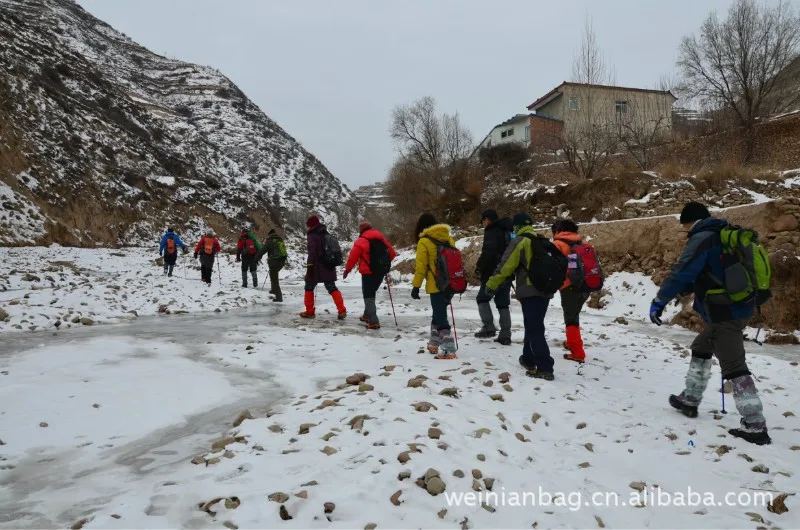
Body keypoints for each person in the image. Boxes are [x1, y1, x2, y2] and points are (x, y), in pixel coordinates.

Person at [649, 201, 770, 445]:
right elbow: (707, 273)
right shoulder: (721, 235)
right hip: (737, 305)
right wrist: (682, 291)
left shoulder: (703, 237)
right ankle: (690, 400)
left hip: (726, 311)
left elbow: (683, 270)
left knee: (734, 365)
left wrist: (659, 299)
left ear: (690, 220)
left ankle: (755, 425)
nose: (685, 231)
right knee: (702, 347)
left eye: (684, 225)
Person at [486, 213, 555, 380]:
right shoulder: (542, 240)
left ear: (516, 227)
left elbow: (505, 266)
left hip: (530, 291)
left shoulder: (520, 241)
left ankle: (545, 367)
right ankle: (528, 358)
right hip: (546, 290)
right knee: (533, 324)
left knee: (535, 327)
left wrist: (491, 285)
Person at [411, 213, 457, 359]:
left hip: (436, 284)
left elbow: (421, 267)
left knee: (440, 315)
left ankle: (449, 349)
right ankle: (434, 342)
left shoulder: (424, 241)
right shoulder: (448, 238)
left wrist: (416, 286)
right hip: (451, 284)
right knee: (438, 312)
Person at [343, 221, 397, 329]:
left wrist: (347, 270)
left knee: (368, 296)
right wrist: (382, 265)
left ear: (361, 230)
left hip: (368, 273)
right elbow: (392, 253)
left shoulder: (361, 241)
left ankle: (373, 321)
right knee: (371, 293)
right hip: (380, 272)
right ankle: (367, 315)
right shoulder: (382, 239)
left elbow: (353, 258)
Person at [552, 219, 589, 363]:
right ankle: (572, 342)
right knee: (574, 314)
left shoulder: (558, 244)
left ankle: (578, 353)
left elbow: (554, 266)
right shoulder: (583, 243)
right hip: (586, 285)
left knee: (570, 318)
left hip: (569, 286)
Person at [474, 209, 514, 344]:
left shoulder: (491, 231)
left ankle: (488, 326)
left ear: (487, 219)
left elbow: (488, 252)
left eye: (483, 220)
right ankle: (505, 334)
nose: (483, 223)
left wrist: (479, 267)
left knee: (482, 298)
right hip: (507, 272)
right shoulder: (507, 231)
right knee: (503, 303)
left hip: (492, 273)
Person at [300, 215, 346, 319]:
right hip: (328, 265)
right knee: (332, 287)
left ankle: (309, 311)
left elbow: (312, 252)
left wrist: (309, 266)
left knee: (309, 287)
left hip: (316, 267)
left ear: (310, 225)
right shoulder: (325, 233)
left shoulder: (312, 235)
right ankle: (341, 310)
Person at [261, 229, 288, 302]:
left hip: (274, 262)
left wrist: (256, 259)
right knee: (274, 275)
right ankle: (273, 290)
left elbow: (262, 251)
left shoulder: (270, 241)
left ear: (270, 235)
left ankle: (279, 297)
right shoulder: (279, 240)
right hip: (281, 261)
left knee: (274, 278)